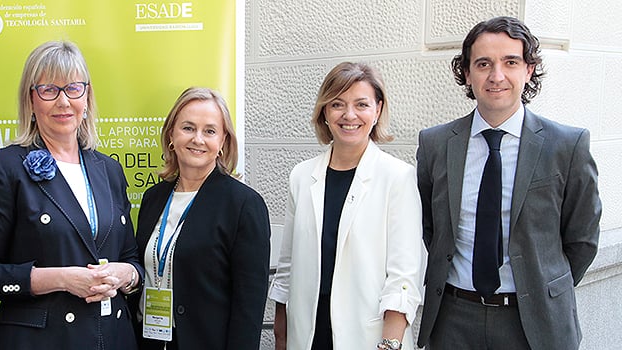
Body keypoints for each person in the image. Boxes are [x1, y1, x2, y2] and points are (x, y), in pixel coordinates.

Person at [416, 16, 601, 350]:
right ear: (468, 73)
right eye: (483, 63)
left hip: (536, 323)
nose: (496, 75)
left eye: (510, 62)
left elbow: (583, 239)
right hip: (453, 320)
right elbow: (432, 228)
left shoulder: (566, 145)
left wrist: (543, 288)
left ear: (528, 70)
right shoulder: (436, 144)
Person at [0, 40, 142, 349]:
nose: (63, 102)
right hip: (42, 340)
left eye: (73, 88)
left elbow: (131, 259)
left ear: (86, 97)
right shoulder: (4, 168)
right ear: (31, 101)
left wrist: (126, 275)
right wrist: (62, 279)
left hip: (112, 338)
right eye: (49, 89)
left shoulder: (109, 170)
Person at [269, 62, 423, 350]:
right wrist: (281, 338)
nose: (349, 115)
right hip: (309, 335)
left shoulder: (397, 177)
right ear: (324, 113)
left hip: (370, 338)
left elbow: (403, 278)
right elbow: (287, 269)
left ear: (377, 110)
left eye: (361, 104)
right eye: (337, 104)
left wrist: (389, 345)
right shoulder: (302, 176)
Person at [131, 87, 270, 349]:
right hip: (148, 340)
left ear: (223, 142)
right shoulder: (153, 198)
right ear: (171, 134)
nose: (198, 139)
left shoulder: (243, 205)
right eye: (188, 128)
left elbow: (248, 308)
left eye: (209, 131)